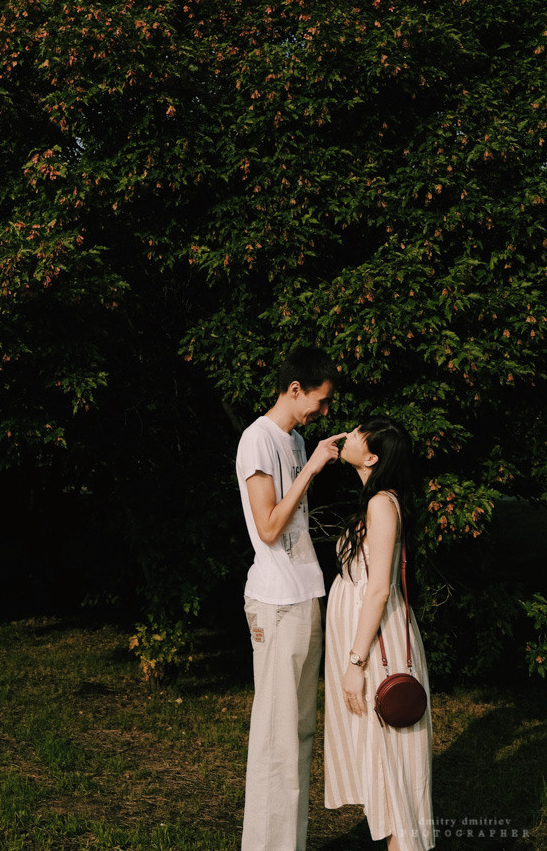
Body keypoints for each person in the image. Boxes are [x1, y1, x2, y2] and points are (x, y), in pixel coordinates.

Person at [236, 345, 345, 851]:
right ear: (295, 388)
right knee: (275, 739)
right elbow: (270, 527)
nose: (322, 412)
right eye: (318, 402)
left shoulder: (296, 439)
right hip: (276, 603)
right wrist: (313, 468)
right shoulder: (257, 440)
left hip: (305, 595)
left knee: (299, 735)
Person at [324, 418, 434, 851]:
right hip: (367, 642)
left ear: (371, 457)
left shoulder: (382, 505)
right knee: (382, 764)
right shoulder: (375, 501)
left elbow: (379, 589)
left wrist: (355, 662)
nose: (346, 434)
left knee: (394, 769)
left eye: (356, 433)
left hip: (378, 648)